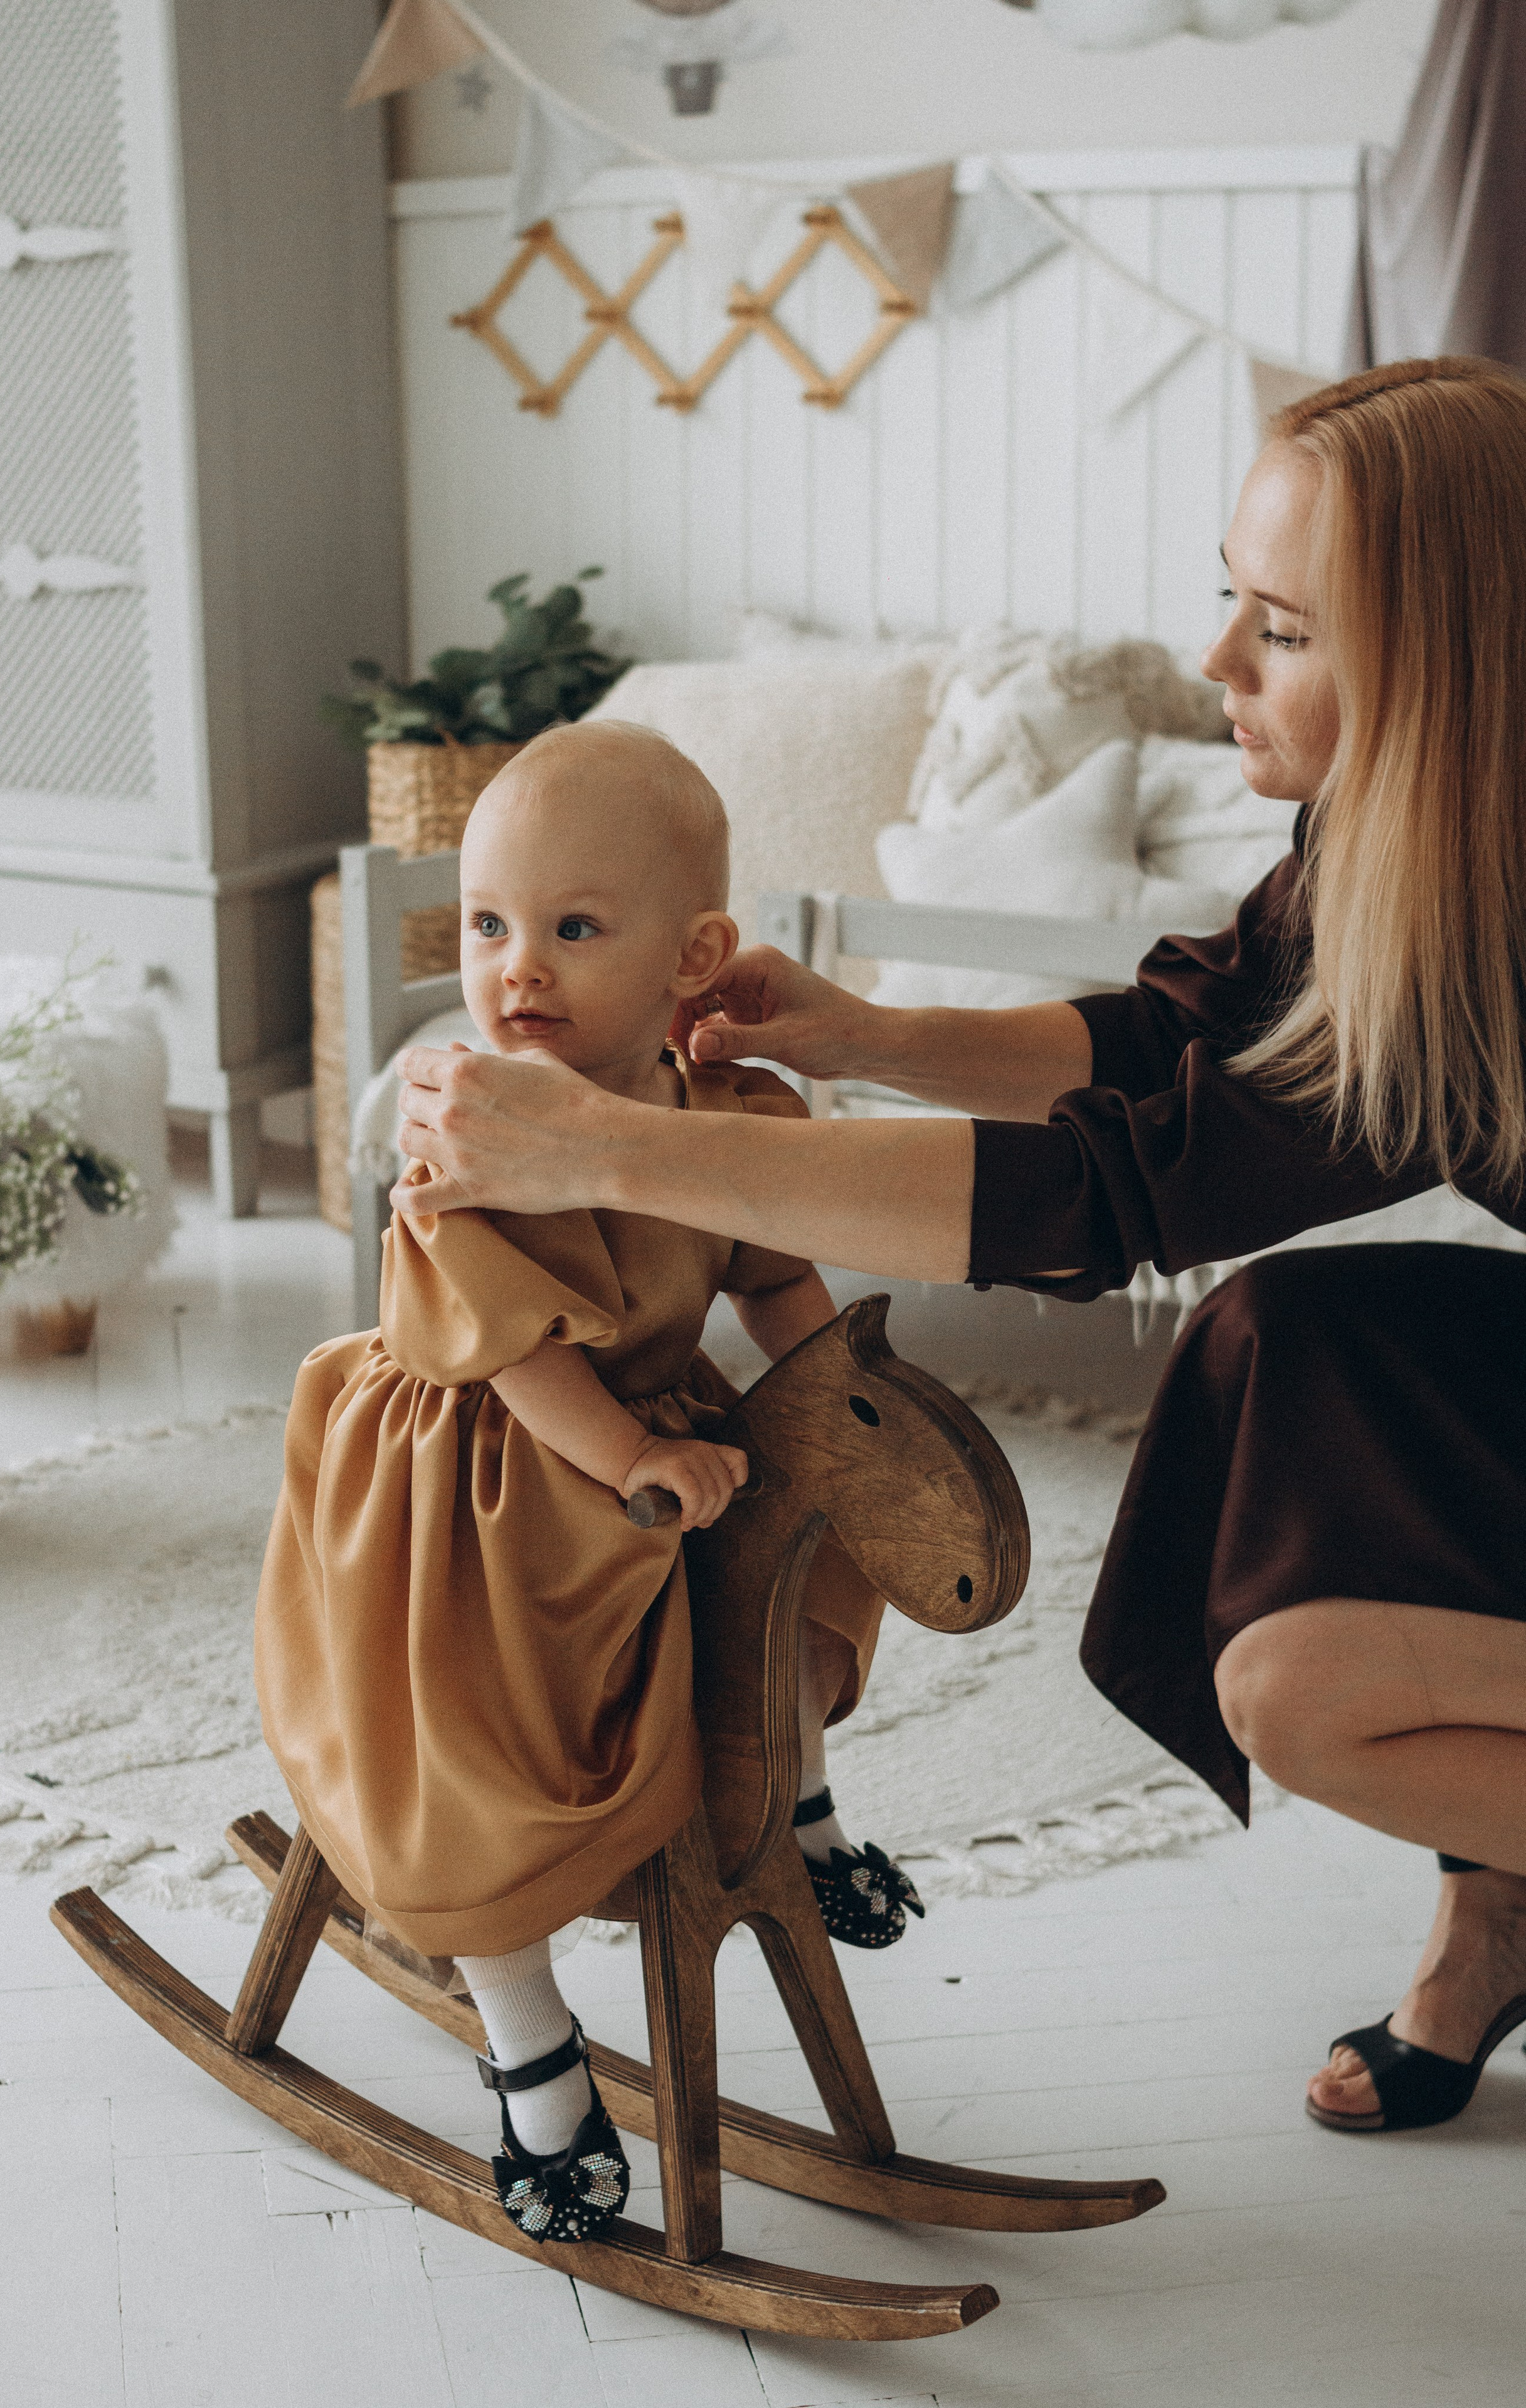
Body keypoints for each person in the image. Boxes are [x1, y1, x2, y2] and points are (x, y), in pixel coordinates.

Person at [397, 358, 1526, 2140]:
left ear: (1453, 659)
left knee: (1304, 1693)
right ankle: (1500, 1907)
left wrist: (621, 1142)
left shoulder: (1507, 910)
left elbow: (1124, 1196)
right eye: (1230, 598)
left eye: (1285, 632)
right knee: (1303, 1343)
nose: (1220, 664)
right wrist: (861, 1036)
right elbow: (1187, 1035)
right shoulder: (1405, 815)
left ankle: (1495, 1896)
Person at [255, 721, 916, 2247]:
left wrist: (838, 1400)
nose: (516, 969)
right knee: (487, 1732)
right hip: (483, 1470)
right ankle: (530, 2048)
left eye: (571, 928)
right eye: (488, 926)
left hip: (649, 1435)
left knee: (815, 1548)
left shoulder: (721, 1109)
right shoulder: (466, 1132)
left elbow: (776, 1279)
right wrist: (632, 1455)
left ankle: (797, 1808)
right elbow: (511, 1352)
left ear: (694, 957)